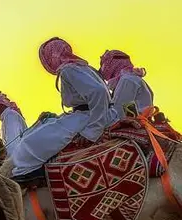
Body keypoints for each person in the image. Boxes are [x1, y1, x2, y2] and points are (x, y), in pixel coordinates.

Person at [9, 37, 116, 179]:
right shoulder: (83, 67)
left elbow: (98, 92)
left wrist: (92, 130)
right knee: (46, 126)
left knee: (29, 142)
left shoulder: (68, 69)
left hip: (87, 116)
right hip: (93, 113)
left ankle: (29, 173)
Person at [99, 49, 153, 118]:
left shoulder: (127, 80)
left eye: (105, 63)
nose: (103, 68)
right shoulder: (132, 78)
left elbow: (119, 109)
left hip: (135, 123)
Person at [0, 92, 27, 159]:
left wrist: (8, 161)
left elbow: (13, 143)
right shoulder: (7, 116)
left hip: (18, 160)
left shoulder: (10, 116)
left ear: (1, 106)